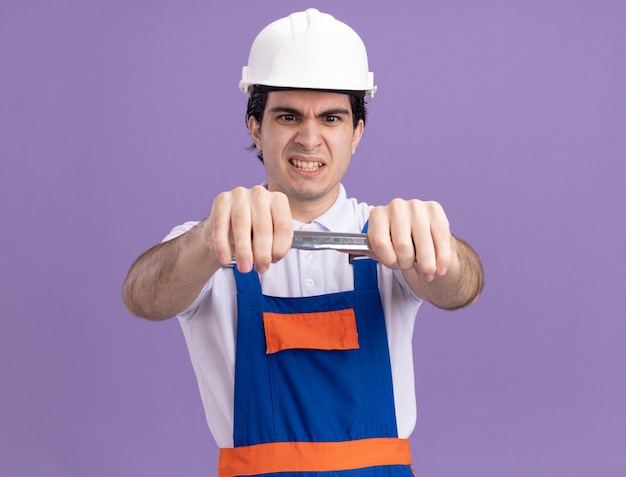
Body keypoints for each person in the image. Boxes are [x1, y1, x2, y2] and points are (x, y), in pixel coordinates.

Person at [123, 8, 483, 477]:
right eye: (288, 115)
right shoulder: (215, 240)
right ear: (256, 128)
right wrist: (209, 240)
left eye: (331, 117)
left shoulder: (388, 237)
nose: (309, 139)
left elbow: (461, 289)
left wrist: (438, 245)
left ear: (356, 133)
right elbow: (142, 297)